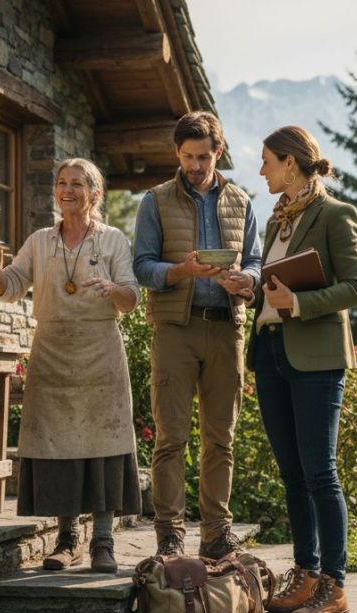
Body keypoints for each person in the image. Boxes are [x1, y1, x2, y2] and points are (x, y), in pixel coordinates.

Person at [0, 158, 141, 574]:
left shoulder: (113, 240)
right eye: (62, 183)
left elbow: (132, 299)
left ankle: (103, 541)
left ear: (94, 194)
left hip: (100, 353)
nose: (67, 190)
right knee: (59, 444)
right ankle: (67, 541)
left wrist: (113, 288)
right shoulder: (39, 241)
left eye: (77, 184)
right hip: (51, 352)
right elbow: (10, 288)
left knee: (103, 444)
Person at [247, 126, 357, 613]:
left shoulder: (336, 214)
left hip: (317, 358)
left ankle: (334, 588)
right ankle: (306, 574)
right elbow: (272, 286)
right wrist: (249, 289)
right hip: (270, 353)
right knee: (293, 475)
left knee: (320, 473)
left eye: (267, 162)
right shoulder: (276, 220)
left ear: (290, 164)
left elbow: (356, 288)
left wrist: (297, 303)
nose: (261, 171)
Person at [132, 111, 262, 559]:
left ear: (218, 152)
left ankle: (216, 533)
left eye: (203, 157)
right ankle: (169, 534)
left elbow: (256, 262)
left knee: (221, 438)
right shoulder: (155, 201)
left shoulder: (241, 201)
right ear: (177, 153)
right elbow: (142, 267)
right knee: (171, 438)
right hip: (176, 329)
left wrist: (247, 280)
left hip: (227, 328)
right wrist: (183, 271)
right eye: (187, 156)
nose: (194, 165)